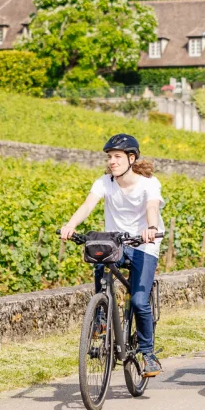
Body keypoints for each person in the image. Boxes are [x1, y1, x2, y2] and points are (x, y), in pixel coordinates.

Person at [60, 133, 165, 376]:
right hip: (116, 243)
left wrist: (151, 228)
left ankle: (148, 354)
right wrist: (70, 225)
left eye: (117, 157)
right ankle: (101, 315)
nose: (112, 162)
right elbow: (88, 205)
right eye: (109, 157)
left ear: (131, 158)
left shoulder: (149, 183)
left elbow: (151, 206)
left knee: (139, 300)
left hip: (144, 245)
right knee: (98, 256)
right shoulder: (105, 182)